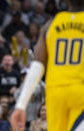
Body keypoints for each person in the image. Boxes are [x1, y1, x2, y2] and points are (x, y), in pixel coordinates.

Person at [10, 0, 84, 131]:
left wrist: (21, 105)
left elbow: (37, 65)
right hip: (80, 91)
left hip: (55, 92)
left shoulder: (50, 25)